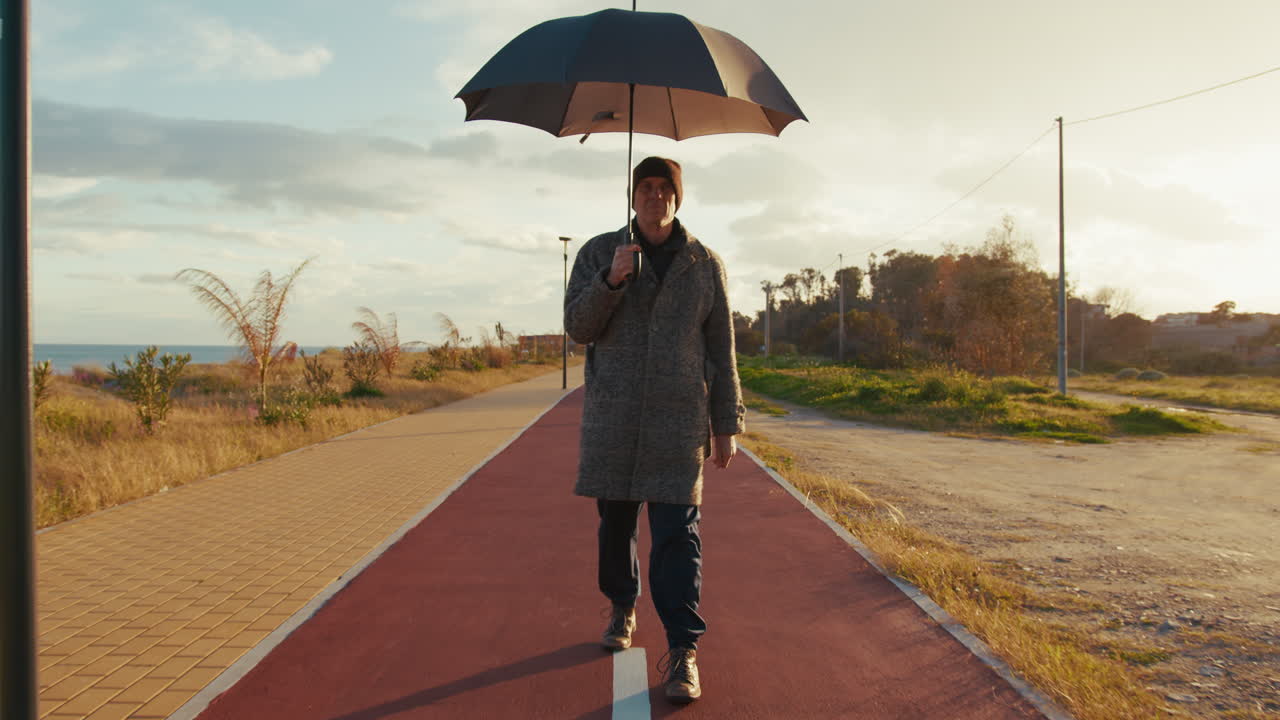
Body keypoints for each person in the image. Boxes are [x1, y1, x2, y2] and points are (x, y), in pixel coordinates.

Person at [563, 156, 745, 704]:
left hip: (677, 422)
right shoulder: (600, 252)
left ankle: (683, 649)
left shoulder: (704, 263)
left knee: (677, 537)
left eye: (666, 188)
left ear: (677, 198)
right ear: (632, 195)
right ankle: (622, 605)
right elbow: (577, 328)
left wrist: (725, 423)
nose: (655, 196)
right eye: (646, 186)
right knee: (615, 530)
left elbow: (721, 347)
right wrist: (610, 279)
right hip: (614, 419)